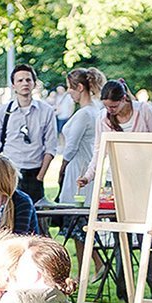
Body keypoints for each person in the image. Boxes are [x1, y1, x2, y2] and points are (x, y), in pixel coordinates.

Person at [0, 63, 59, 203]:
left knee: (34, 217)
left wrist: (40, 176)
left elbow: (51, 146)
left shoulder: (46, 111)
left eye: (28, 80)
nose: (24, 83)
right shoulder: (3, 111)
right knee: (9, 215)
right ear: (13, 85)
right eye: (20, 80)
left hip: (34, 172)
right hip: (10, 170)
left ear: (34, 83)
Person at [55, 68, 106, 205]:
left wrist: (62, 169)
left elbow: (72, 146)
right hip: (88, 161)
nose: (68, 92)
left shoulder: (84, 114)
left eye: (70, 87)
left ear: (80, 87)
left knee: (72, 204)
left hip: (78, 165)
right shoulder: (95, 110)